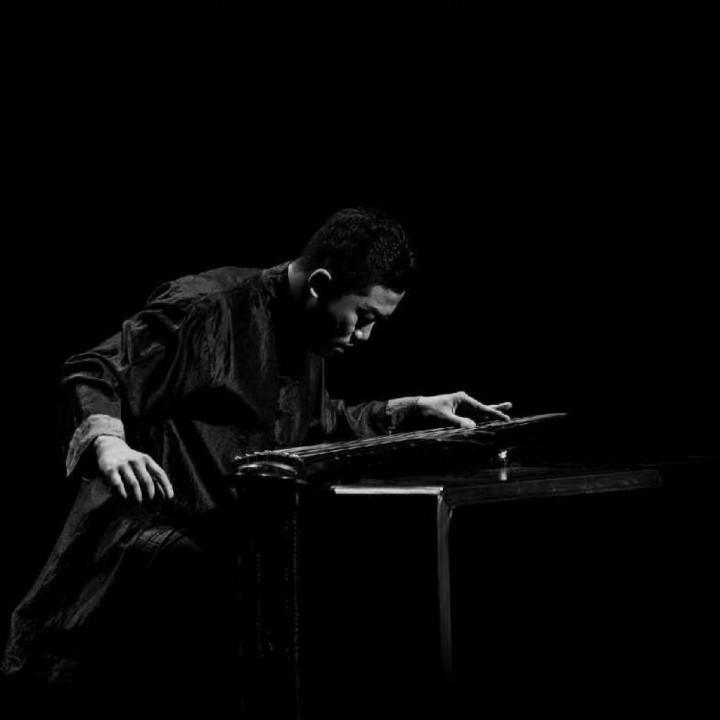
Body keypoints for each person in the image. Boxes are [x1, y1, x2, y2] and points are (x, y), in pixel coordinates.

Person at [2, 207, 511, 717]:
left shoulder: (307, 333)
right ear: (320, 284)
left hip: (222, 577)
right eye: (364, 317)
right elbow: (94, 369)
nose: (364, 337)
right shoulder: (207, 307)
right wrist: (109, 442)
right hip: (139, 569)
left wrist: (411, 409)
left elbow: (316, 424)